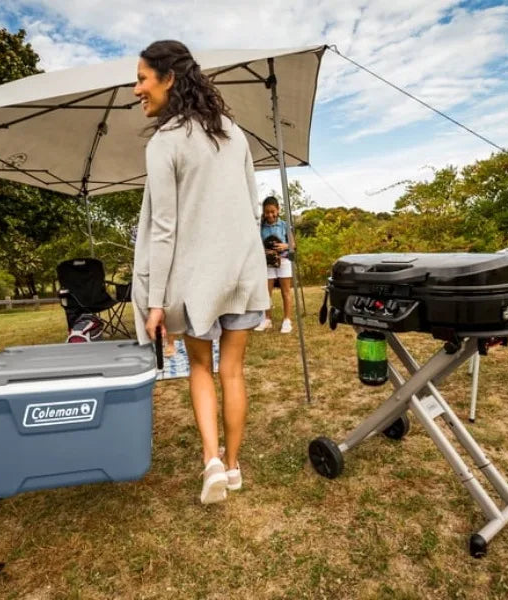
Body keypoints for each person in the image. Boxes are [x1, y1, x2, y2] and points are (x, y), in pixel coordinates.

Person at [132, 40, 269, 504]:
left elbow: (163, 229)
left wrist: (154, 302)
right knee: (233, 371)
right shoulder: (234, 132)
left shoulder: (165, 143)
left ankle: (212, 460)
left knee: (199, 367)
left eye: (142, 79)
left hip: (198, 280)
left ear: (168, 78)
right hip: (243, 273)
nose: (137, 90)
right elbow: (251, 205)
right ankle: (233, 467)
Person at [254, 196, 295, 333]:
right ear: (263, 212)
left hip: (283, 261)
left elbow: (293, 245)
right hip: (267, 263)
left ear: (278, 210)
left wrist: (285, 245)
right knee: (266, 293)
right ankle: (267, 319)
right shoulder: (260, 227)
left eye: (273, 211)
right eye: (267, 212)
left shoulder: (284, 225)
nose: (270, 215)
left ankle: (287, 320)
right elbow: (257, 244)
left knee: (286, 292)